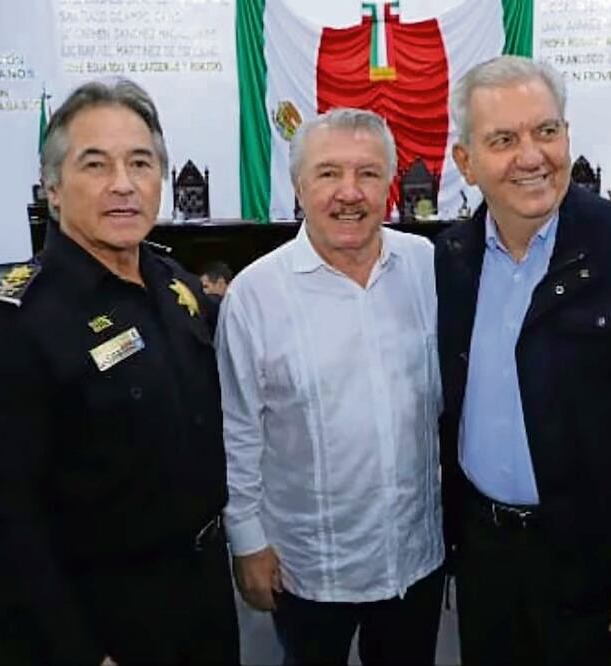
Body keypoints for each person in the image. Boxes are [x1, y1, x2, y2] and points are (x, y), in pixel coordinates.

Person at [0, 78, 238, 666]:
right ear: (53, 188)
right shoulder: (16, 328)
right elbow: (4, 523)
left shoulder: (173, 283)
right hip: (103, 618)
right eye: (96, 164)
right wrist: (79, 652)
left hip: (203, 593)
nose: (123, 184)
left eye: (140, 163)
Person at [435, 56, 611, 665]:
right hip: (487, 563)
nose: (532, 156)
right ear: (466, 162)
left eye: (546, 131)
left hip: (599, 569)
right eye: (504, 140)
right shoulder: (451, 258)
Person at [216, 108, 444, 665]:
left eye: (368, 173)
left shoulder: (428, 268)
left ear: (390, 186)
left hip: (414, 558)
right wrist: (246, 541)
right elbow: (237, 429)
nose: (349, 193)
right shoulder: (254, 295)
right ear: (299, 186)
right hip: (306, 565)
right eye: (328, 173)